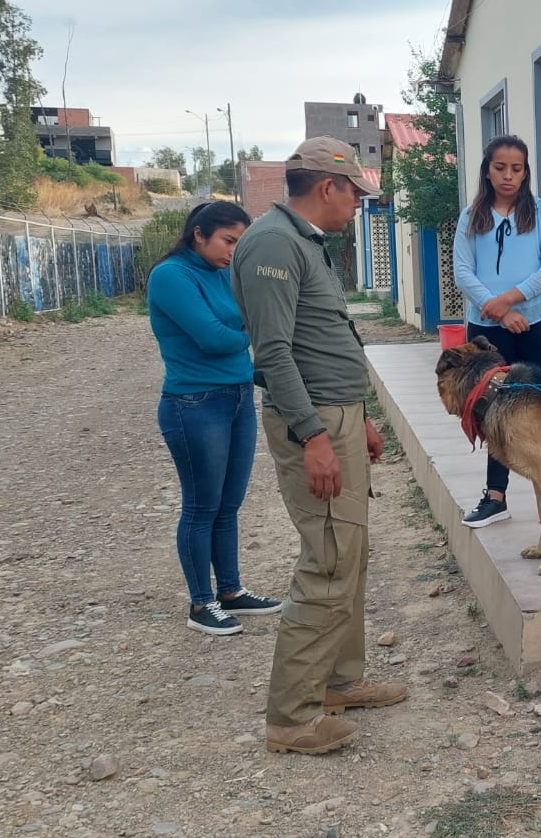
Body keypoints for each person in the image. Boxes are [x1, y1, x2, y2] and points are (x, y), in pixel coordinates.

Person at [232, 136, 406, 755]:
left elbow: (325, 335)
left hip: (336, 416)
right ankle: (291, 719)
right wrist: (314, 436)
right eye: (356, 193)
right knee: (330, 558)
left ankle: (338, 680)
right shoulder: (274, 244)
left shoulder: (304, 242)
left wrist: (356, 415)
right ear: (328, 187)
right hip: (312, 424)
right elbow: (274, 351)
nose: (358, 205)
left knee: (350, 551)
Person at [147, 200, 282, 636]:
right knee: (201, 506)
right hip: (195, 403)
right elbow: (212, 337)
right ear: (198, 234)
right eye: (228, 241)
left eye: (240, 243)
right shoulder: (171, 276)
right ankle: (200, 602)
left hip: (239, 396)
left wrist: (249, 331)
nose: (233, 251)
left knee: (229, 504)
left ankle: (230, 590)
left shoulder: (224, 272)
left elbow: (246, 322)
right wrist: (256, 332)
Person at [452, 135, 541, 527]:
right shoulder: (471, 217)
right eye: (500, 167)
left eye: (516, 169)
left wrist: (509, 301)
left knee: (540, 405)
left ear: (526, 172)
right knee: (492, 408)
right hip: (487, 329)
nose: (508, 176)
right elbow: (463, 271)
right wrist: (498, 312)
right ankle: (495, 495)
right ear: (487, 170)